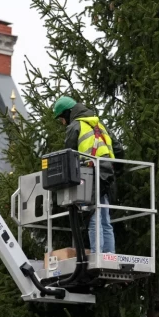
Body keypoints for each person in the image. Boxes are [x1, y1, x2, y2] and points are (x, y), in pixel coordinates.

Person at [53, 96, 118, 254]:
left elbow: (68, 154)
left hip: (90, 175)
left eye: (62, 118)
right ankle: (109, 254)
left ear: (68, 113)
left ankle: (97, 254)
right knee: (105, 218)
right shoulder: (99, 124)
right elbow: (118, 147)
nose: (63, 123)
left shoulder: (75, 126)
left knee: (92, 217)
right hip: (107, 174)